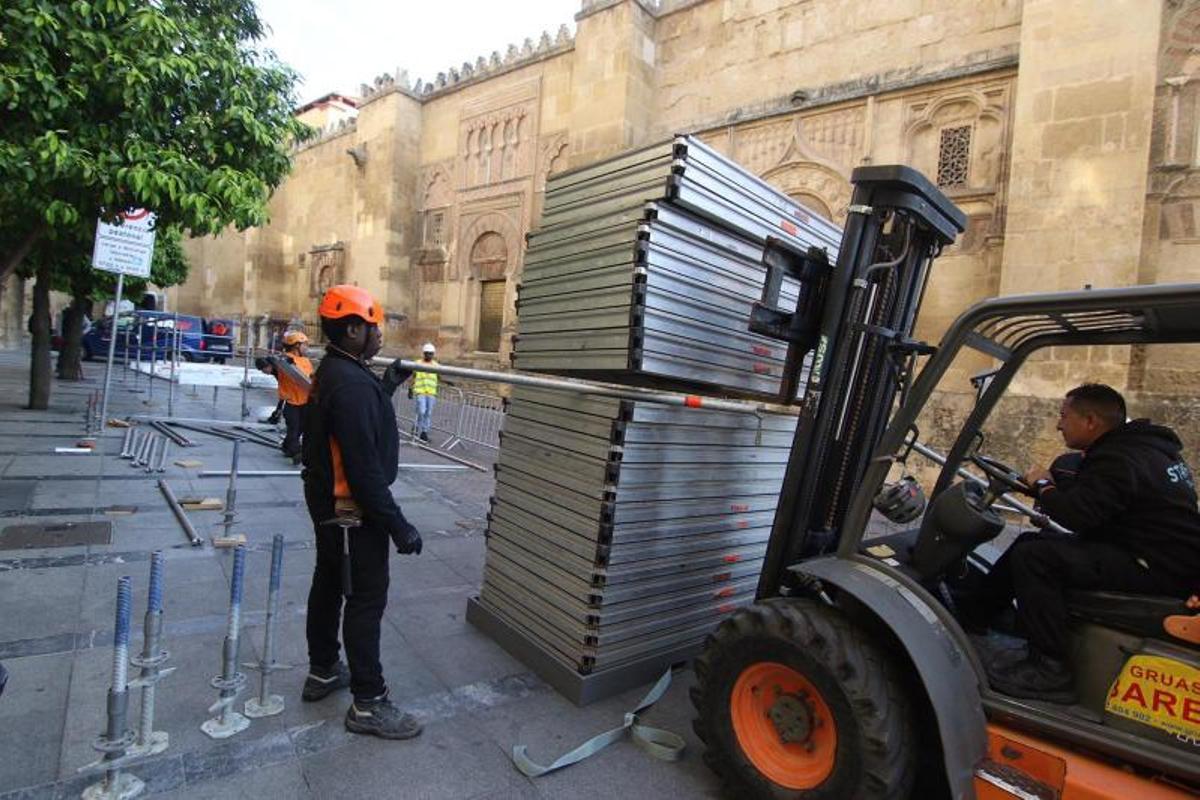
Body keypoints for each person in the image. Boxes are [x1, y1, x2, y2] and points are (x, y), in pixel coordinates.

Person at [976, 383, 1200, 703]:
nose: (1058, 424)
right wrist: (1056, 488)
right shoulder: (1147, 450)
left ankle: (1050, 670)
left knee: (1035, 557)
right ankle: (976, 614)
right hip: (1161, 557)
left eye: (1064, 416)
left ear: (1091, 421)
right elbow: (1104, 500)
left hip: (1153, 566)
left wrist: (1042, 485)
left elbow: (1076, 515)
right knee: (1032, 540)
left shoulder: (1118, 457)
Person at [300, 284, 424, 739]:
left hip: (329, 506)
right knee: (365, 599)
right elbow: (363, 468)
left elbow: (353, 430)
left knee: (330, 583)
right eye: (373, 328)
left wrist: (386, 387)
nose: (378, 336)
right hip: (352, 511)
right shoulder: (348, 382)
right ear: (352, 329)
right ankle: (369, 703)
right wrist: (398, 525)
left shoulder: (338, 370)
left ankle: (324, 668)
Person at [262, 330, 313, 463]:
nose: (306, 347)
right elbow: (270, 367)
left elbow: (309, 378)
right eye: (304, 344)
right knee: (293, 427)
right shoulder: (283, 360)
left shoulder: (306, 361)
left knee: (301, 428)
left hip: (305, 401)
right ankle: (295, 452)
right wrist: (266, 364)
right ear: (296, 345)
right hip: (290, 401)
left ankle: (286, 446)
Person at [410, 342, 438, 443]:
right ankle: (416, 427)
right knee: (421, 411)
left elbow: (439, 377)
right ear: (424, 353)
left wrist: (448, 382)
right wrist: (410, 388)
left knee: (428, 413)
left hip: (431, 393)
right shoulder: (417, 363)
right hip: (420, 391)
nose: (429, 355)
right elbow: (413, 377)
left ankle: (424, 432)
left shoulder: (436, 365)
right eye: (427, 353)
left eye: (430, 353)